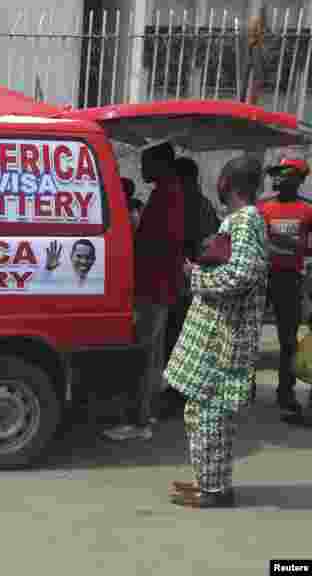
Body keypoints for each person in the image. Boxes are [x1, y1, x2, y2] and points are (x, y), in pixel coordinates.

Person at [166, 154, 269, 508]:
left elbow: (241, 274)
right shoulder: (242, 220)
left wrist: (195, 276)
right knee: (208, 413)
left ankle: (213, 490)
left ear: (226, 183)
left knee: (208, 412)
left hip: (223, 338)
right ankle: (209, 483)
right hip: (220, 333)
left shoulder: (245, 221)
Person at [104, 141, 186, 441]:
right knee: (150, 355)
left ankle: (138, 421)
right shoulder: (166, 193)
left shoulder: (167, 196)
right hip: (157, 284)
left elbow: (159, 243)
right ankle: (145, 415)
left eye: (146, 163)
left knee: (143, 354)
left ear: (161, 164)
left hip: (154, 286)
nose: (141, 169)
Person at [164, 157, 221, 418]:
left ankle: (182, 394)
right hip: (185, 281)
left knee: (181, 338)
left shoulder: (193, 205)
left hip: (188, 282)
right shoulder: (200, 204)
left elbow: (208, 246)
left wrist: (193, 272)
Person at [256, 157, 312, 419]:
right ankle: (246, 388)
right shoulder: (262, 208)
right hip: (261, 278)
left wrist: (298, 251)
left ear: (300, 178)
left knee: (288, 339)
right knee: (248, 334)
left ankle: (286, 393)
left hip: (289, 280)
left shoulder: (307, 210)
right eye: (274, 173)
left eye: (284, 173)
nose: (277, 178)